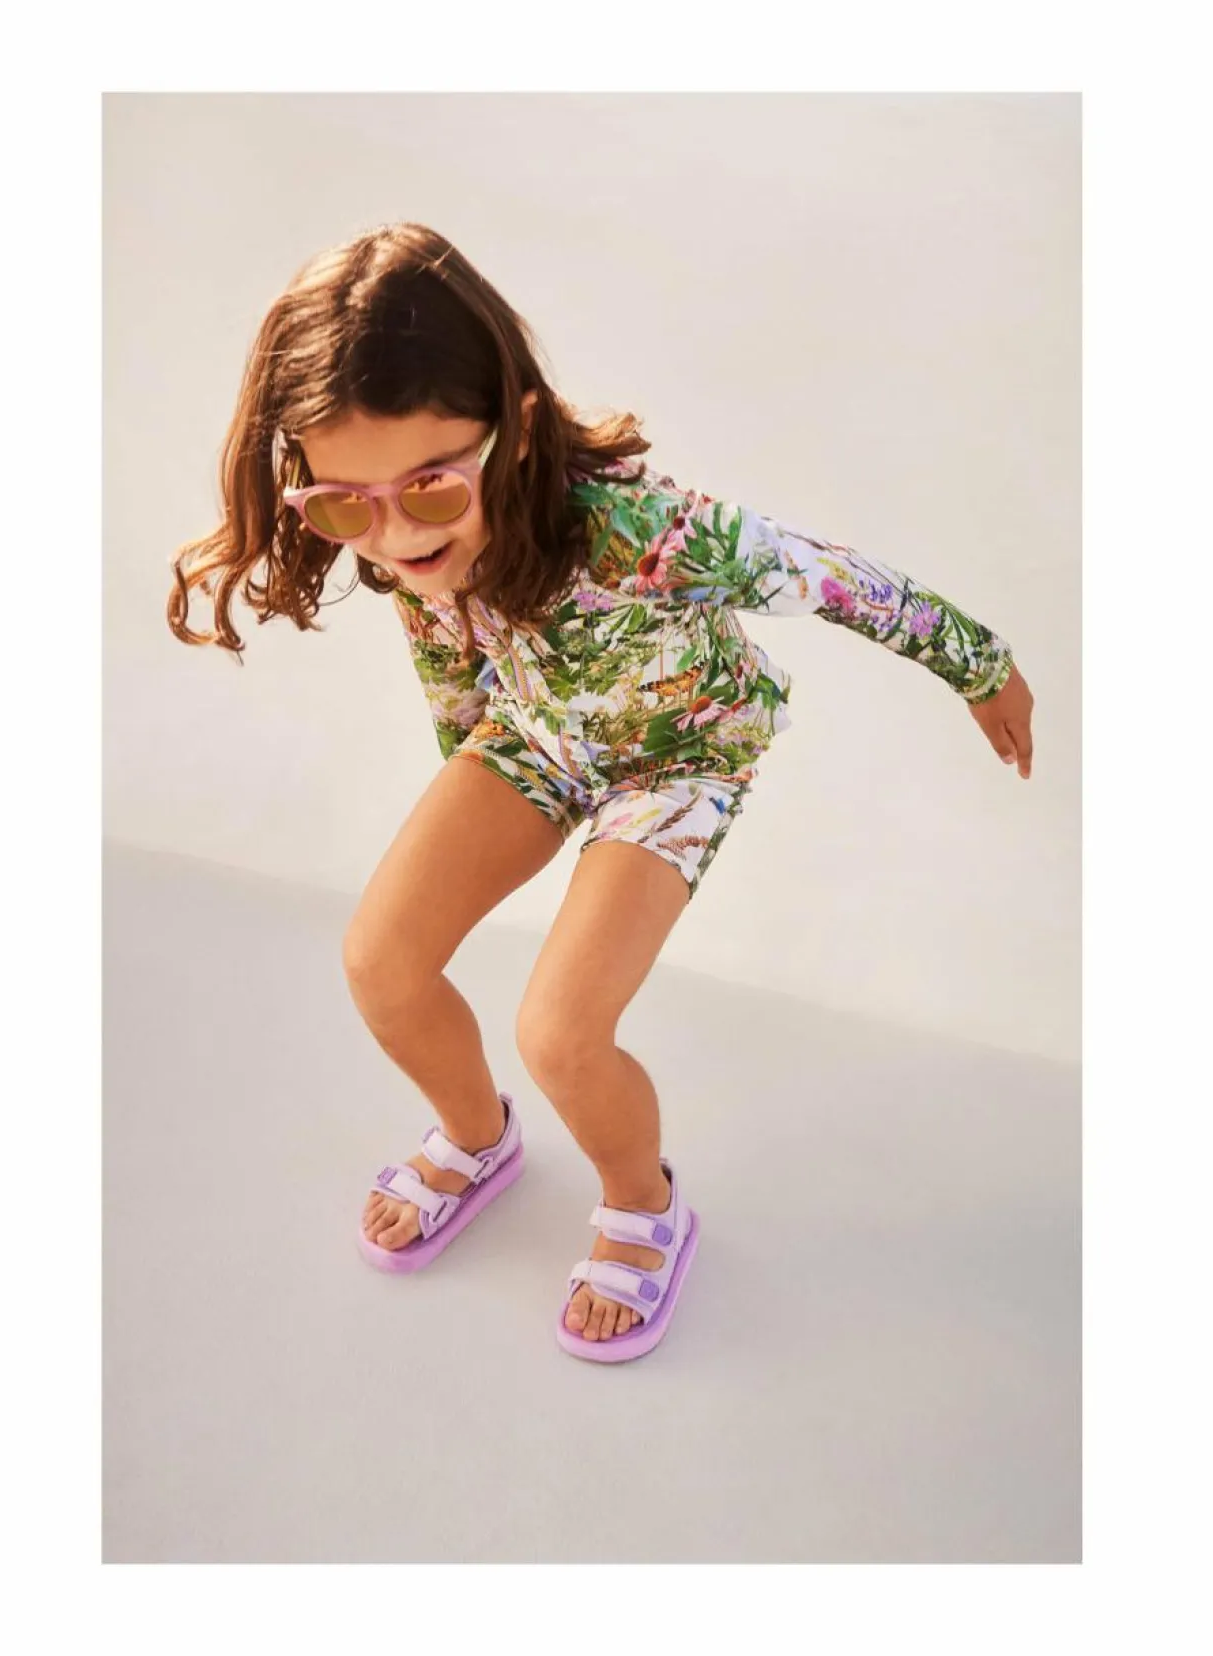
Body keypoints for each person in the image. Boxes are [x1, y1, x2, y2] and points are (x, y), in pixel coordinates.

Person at [168, 221, 1034, 1365]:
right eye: (343, 507)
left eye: (430, 489)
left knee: (561, 1032)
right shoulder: (403, 531)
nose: (391, 535)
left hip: (678, 754)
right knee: (380, 961)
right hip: (538, 738)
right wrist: (472, 792)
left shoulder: (646, 532)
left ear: (518, 430)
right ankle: (475, 1137)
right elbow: (450, 660)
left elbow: (828, 576)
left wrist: (979, 665)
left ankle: (642, 1200)